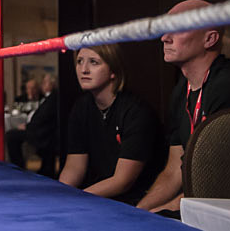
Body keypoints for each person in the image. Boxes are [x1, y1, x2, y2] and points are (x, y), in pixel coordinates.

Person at [137, 0, 230, 215]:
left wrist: (166, 209)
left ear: (209, 39)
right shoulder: (182, 89)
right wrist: (137, 211)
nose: (164, 38)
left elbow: (217, 181)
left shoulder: (228, 85)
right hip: (196, 203)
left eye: (178, 28)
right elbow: (174, 171)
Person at [59, 44, 164, 205]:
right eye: (80, 61)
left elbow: (122, 181)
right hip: (97, 197)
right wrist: (60, 195)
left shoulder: (136, 111)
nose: (83, 69)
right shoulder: (82, 106)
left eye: (94, 62)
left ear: (113, 70)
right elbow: (74, 167)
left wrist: (76, 198)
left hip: (136, 202)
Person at [6, 74, 59, 177]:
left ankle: (18, 168)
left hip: (43, 133)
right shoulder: (49, 97)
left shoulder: (53, 97)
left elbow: (44, 118)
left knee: (11, 136)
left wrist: (28, 126)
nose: (42, 85)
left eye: (45, 83)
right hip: (41, 130)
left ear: (52, 84)